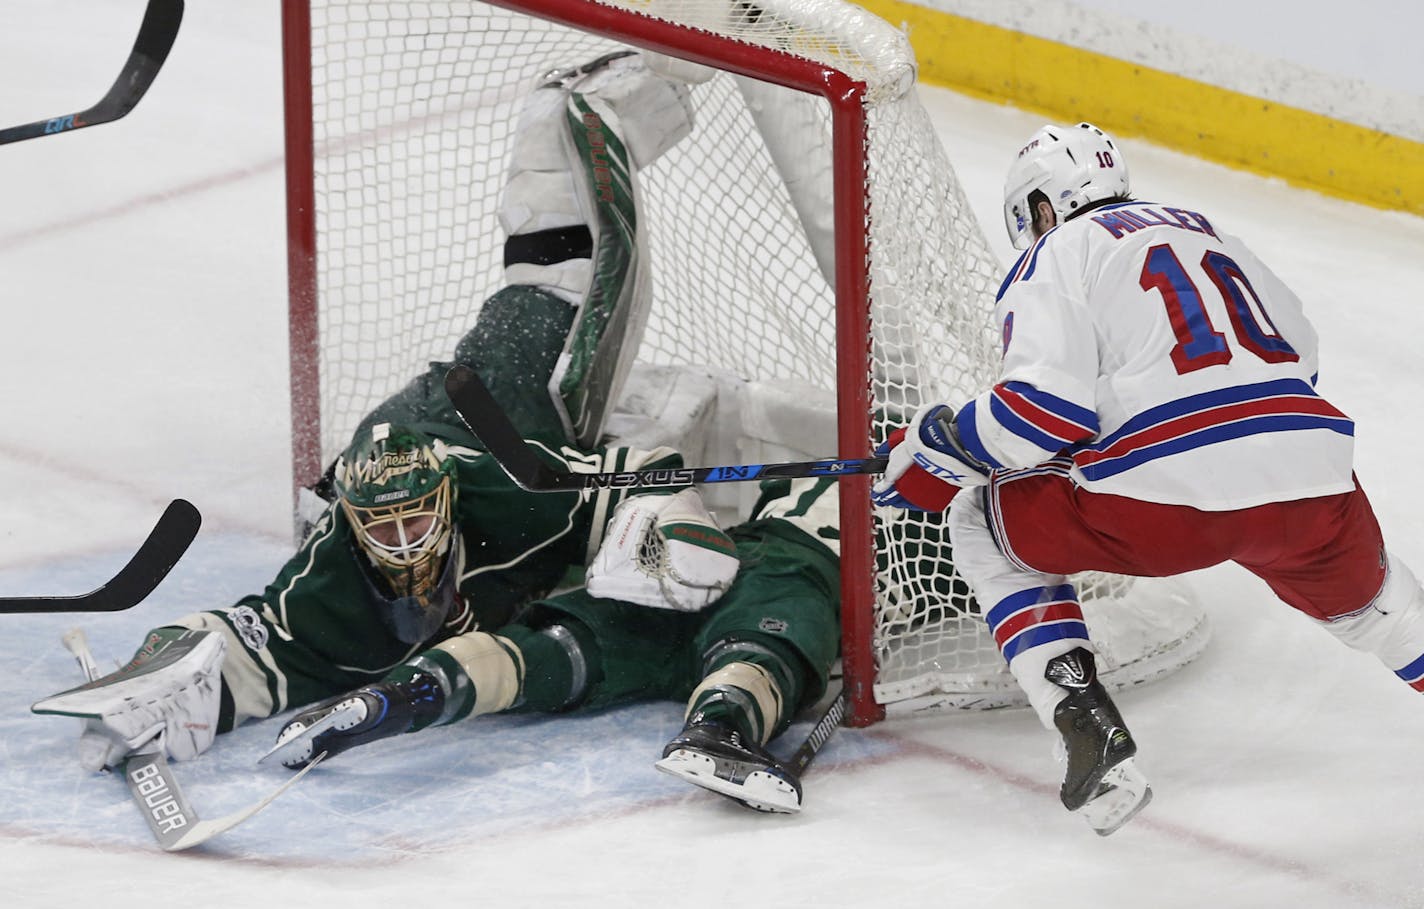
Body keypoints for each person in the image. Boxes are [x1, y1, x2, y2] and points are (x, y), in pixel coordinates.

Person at [32, 51, 842, 814]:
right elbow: (255, 642)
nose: (401, 541)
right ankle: (756, 424)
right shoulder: (340, 574)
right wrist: (164, 674)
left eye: (415, 519)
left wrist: (665, 524)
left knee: (555, 224)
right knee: (763, 454)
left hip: (499, 410)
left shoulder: (500, 486)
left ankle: (646, 61)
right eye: (379, 527)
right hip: (431, 446)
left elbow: (633, 481)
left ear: (445, 499)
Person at [870, 121, 1424, 835]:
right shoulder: (1208, 230)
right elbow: (1301, 351)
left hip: (1162, 506)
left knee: (983, 518)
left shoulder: (1057, 252)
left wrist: (941, 448)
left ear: (1042, 209)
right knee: (1385, 613)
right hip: (1311, 482)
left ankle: (1081, 716)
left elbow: (1038, 415)